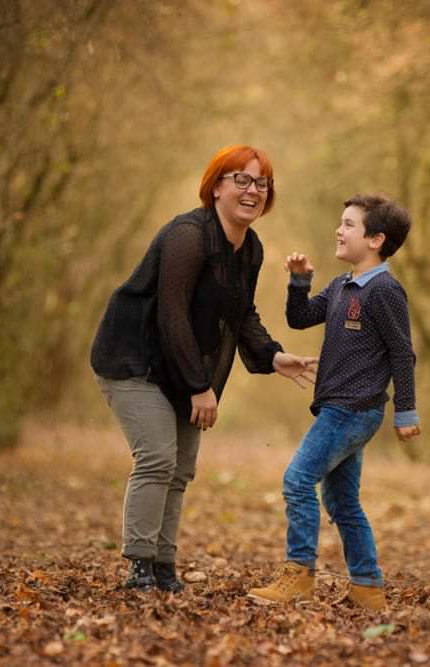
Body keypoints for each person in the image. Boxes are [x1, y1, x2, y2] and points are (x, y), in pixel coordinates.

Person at [90, 145, 318, 594]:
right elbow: (171, 314)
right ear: (216, 187)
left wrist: (273, 356)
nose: (253, 190)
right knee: (156, 456)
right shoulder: (188, 236)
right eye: (242, 180)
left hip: (180, 364)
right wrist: (200, 386)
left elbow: (241, 314)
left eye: (262, 183)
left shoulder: (249, 249)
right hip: (132, 358)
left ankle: (161, 564)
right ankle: (138, 568)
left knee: (181, 468)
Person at [247, 193, 420, 611]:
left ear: (376, 239)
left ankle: (299, 574)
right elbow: (299, 318)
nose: (338, 231)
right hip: (337, 407)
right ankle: (367, 588)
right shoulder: (343, 286)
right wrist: (299, 281)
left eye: (348, 224)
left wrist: (406, 411)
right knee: (342, 502)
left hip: (354, 408)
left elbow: (402, 353)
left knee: (297, 480)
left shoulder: (384, 290)